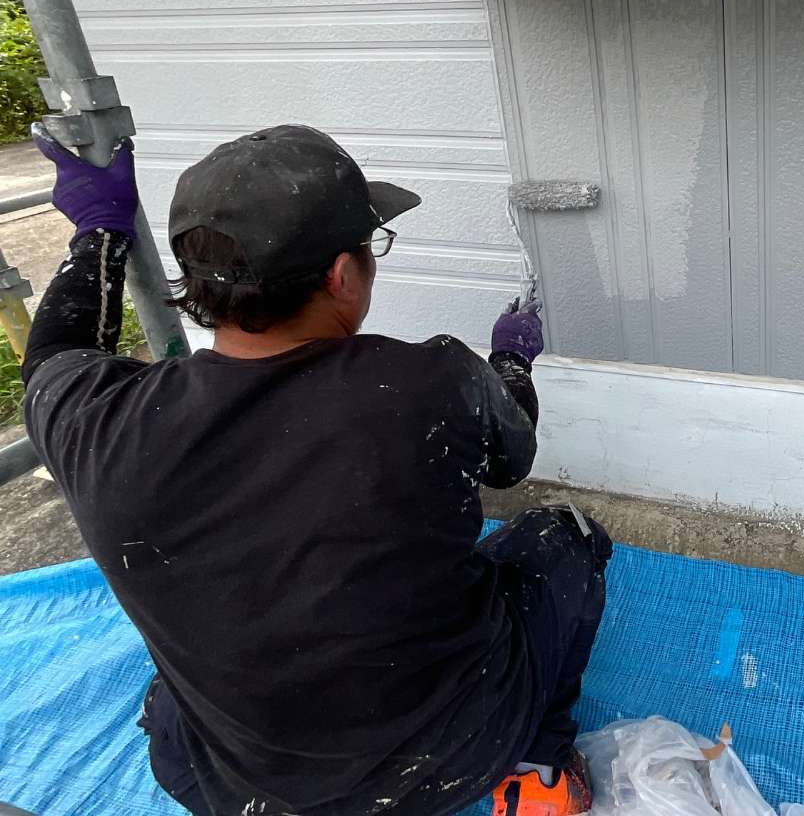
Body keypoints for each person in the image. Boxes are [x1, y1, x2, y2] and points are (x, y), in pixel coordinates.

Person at [22, 123, 610, 816]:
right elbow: (512, 460)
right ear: (341, 274)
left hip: (229, 782)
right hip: (445, 759)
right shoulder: (431, 384)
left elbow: (52, 354)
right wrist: (509, 363)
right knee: (568, 538)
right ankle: (539, 767)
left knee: (177, 692)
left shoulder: (94, 422)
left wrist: (99, 228)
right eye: (371, 245)